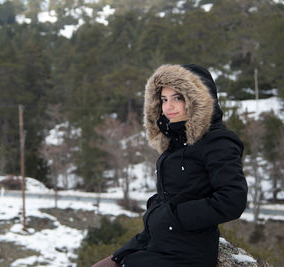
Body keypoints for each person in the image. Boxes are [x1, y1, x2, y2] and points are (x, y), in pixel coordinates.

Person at [92, 64, 248, 267]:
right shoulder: (174, 144)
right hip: (158, 246)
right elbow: (162, 216)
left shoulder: (218, 142)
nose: (168, 107)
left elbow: (232, 200)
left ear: (198, 100)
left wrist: (176, 216)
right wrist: (118, 256)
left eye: (178, 98)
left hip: (186, 255)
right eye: (164, 99)